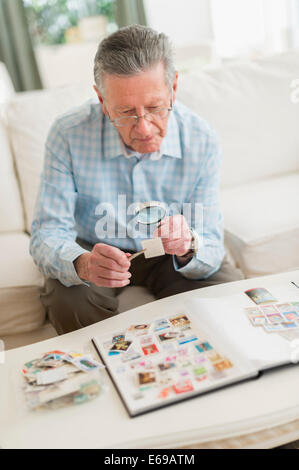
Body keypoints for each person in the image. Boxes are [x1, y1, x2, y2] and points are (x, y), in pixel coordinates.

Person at [30, 25, 243, 335]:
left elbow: (210, 241)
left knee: (229, 299)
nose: (143, 128)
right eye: (126, 112)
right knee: (69, 302)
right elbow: (47, 232)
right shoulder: (68, 134)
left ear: (174, 87)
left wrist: (188, 244)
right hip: (94, 248)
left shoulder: (202, 138)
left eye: (155, 108)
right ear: (102, 100)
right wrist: (83, 263)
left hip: (169, 253)